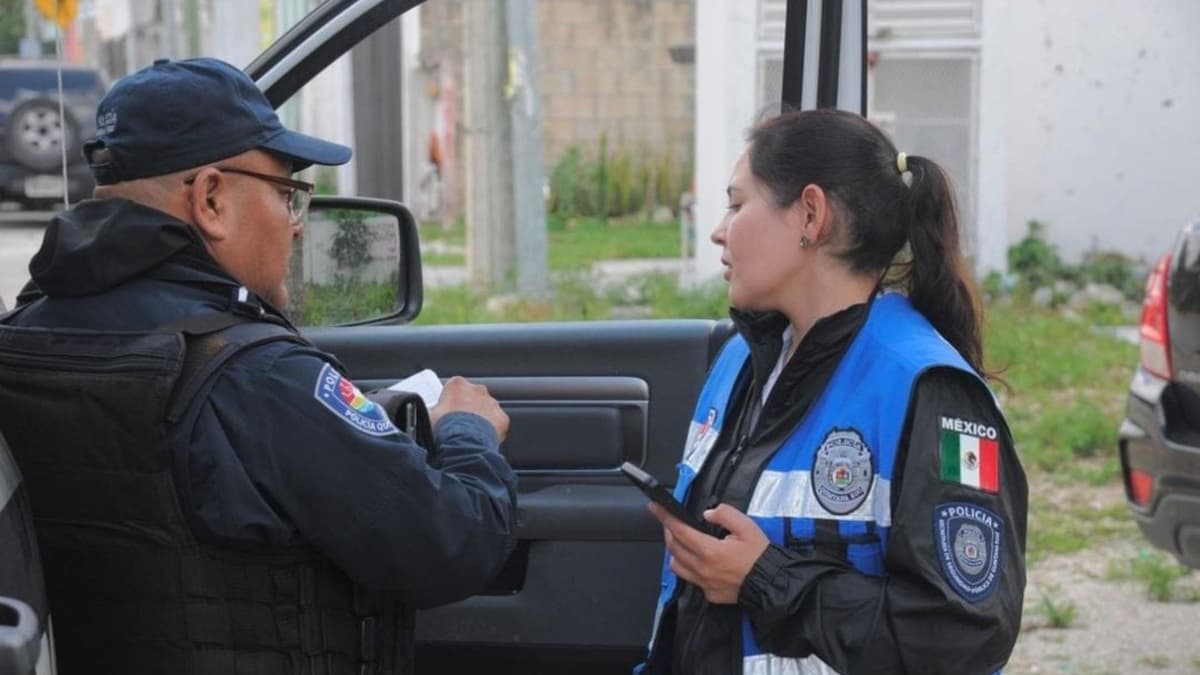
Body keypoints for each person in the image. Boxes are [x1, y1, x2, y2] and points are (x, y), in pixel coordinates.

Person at [0, 57, 518, 674]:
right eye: (288, 195)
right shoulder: (260, 376)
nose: (296, 229)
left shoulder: (20, 337)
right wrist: (468, 431)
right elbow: (453, 543)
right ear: (212, 198)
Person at [637, 109, 1027, 675]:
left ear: (810, 215)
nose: (720, 230)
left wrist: (765, 581)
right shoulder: (741, 360)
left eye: (737, 204)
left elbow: (964, 634)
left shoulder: (934, 394)